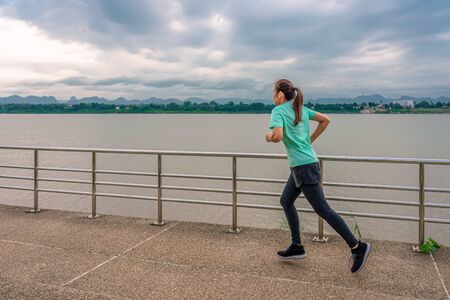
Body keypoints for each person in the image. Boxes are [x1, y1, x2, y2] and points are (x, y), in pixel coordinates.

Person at [265, 78, 371, 273]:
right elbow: (325, 120)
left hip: (304, 166)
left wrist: (269, 135)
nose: (273, 96)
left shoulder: (278, 111)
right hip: (303, 165)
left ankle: (357, 247)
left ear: (280, 94)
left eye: (274, 93)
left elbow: (278, 136)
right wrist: (309, 140)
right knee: (286, 201)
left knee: (323, 210)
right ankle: (296, 246)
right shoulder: (300, 109)